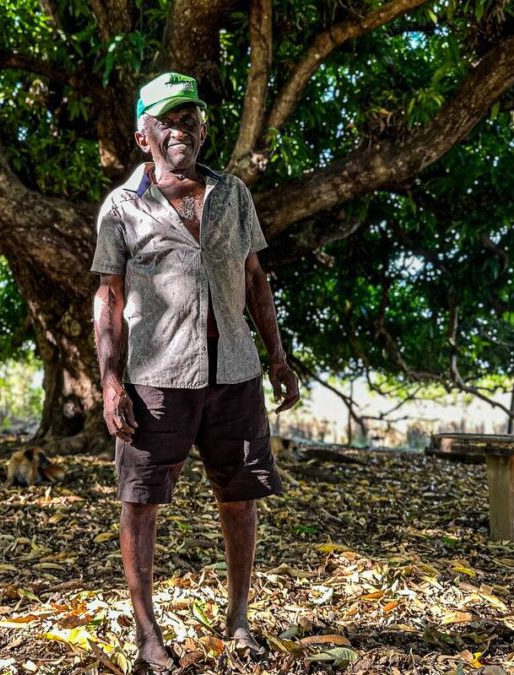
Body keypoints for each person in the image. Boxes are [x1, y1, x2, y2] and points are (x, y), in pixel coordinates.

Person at [91, 72, 300, 673]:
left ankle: (237, 619)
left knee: (239, 495)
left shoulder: (232, 195)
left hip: (233, 370)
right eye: (168, 120)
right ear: (143, 136)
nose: (180, 128)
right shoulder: (123, 206)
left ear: (204, 131)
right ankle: (147, 635)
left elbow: (255, 278)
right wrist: (110, 379)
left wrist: (278, 357)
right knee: (141, 499)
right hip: (156, 377)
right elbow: (108, 296)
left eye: (191, 119)